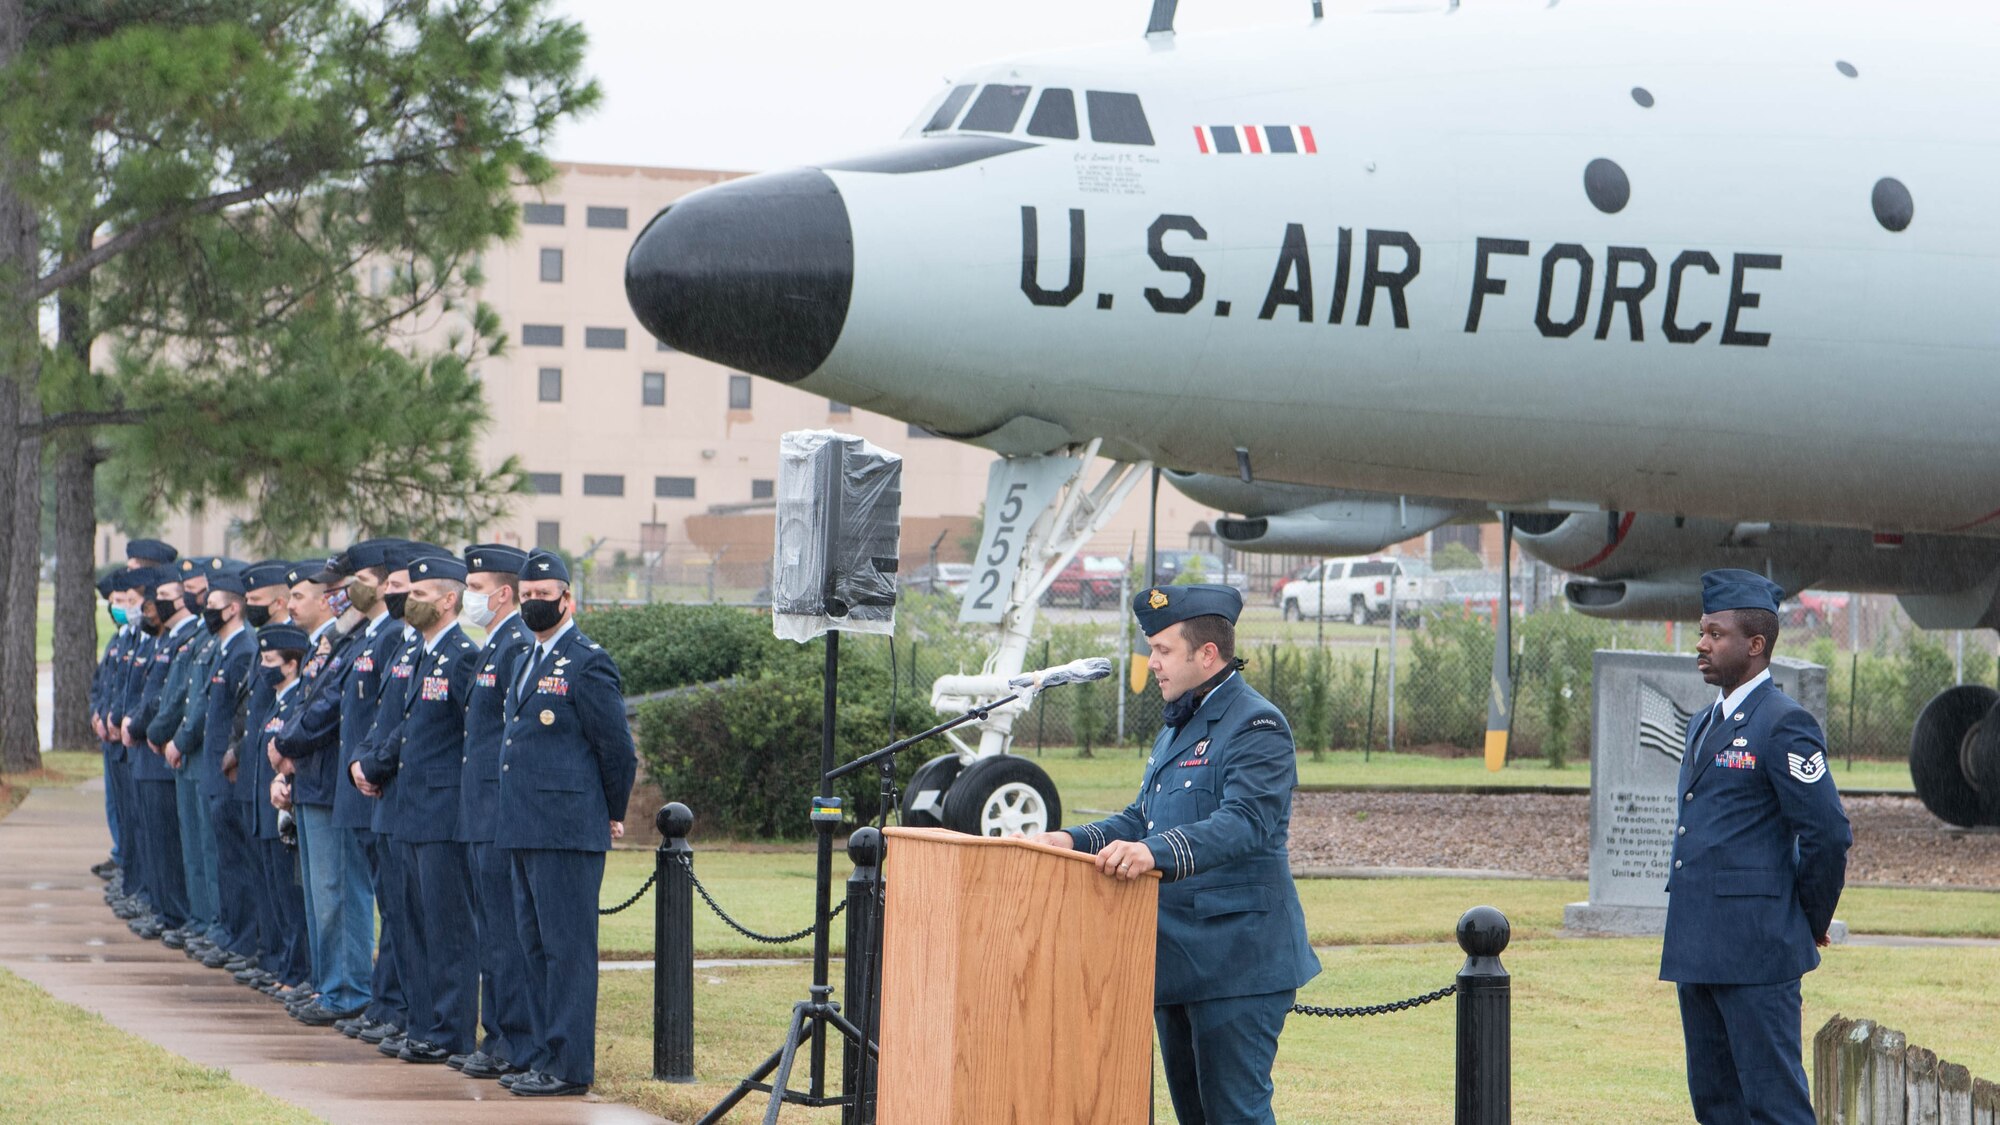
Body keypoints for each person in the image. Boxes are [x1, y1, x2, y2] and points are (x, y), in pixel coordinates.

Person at [1029, 583, 1319, 1125]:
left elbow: (1245, 823)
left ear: (1206, 654)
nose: (1153, 663)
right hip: (1178, 958)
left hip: (1239, 961)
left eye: (1163, 650)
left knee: (1235, 1115)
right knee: (1194, 1115)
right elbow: (1143, 818)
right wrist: (1069, 840)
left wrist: (1152, 853)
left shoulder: (1257, 724)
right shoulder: (1180, 722)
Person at [1663, 569, 1852, 1125]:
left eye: (1714, 634)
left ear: (1754, 645)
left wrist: (1805, 918)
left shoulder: (1782, 724)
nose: (1701, 644)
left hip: (1757, 953)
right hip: (1697, 949)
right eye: (1701, 631)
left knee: (1775, 1110)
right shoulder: (1703, 722)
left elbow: (1829, 834)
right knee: (1717, 1108)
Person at [492, 549, 637, 1098]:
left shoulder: (587, 660)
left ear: (567, 598)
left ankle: (569, 1065)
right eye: (526, 596)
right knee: (532, 946)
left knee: (567, 950)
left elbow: (617, 750)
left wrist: (613, 811)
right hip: (524, 825)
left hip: (567, 827)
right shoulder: (525, 657)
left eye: (543, 596)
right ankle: (540, 1053)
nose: (534, 604)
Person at [450, 542, 534, 1079]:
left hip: (499, 809)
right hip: (479, 808)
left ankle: (512, 1040)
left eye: (476, 590)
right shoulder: (493, 643)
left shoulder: (516, 644)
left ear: (503, 594)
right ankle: (498, 1036)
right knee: (494, 934)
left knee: (506, 934)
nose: (468, 598)